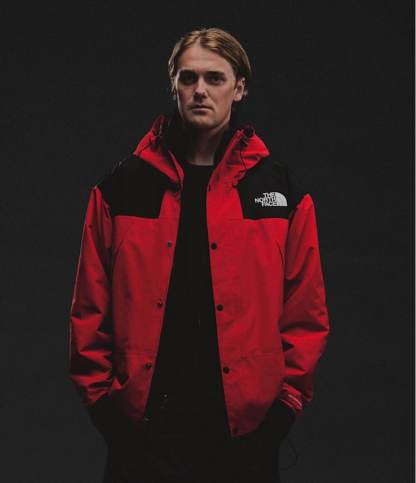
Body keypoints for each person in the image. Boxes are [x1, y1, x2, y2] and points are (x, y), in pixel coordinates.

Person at [68, 27, 330, 483]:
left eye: (215, 78)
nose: (200, 90)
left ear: (239, 88)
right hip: (143, 437)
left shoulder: (281, 193)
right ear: (173, 86)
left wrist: (281, 415)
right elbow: (89, 309)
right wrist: (109, 418)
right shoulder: (121, 188)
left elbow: (306, 312)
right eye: (188, 78)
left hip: (246, 439)